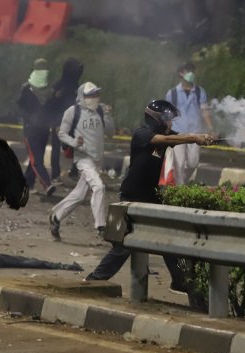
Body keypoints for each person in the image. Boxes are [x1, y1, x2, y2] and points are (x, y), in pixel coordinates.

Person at [85, 100, 213, 293]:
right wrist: (193, 138)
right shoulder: (142, 134)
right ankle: (94, 280)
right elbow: (167, 141)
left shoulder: (166, 135)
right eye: (168, 120)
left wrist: (202, 137)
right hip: (133, 195)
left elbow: (179, 137)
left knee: (168, 236)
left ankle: (179, 281)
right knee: (124, 244)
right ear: (158, 120)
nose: (171, 125)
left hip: (151, 195)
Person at [48, 82, 114, 241]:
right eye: (91, 95)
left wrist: (108, 115)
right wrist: (73, 142)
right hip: (83, 158)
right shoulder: (73, 111)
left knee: (79, 195)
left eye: (96, 94)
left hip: (97, 159)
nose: (94, 98)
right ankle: (101, 226)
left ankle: (56, 216)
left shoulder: (100, 110)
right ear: (82, 97)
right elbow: (62, 133)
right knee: (98, 187)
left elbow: (111, 132)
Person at [165, 62, 215, 185]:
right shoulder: (172, 93)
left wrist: (210, 128)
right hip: (178, 133)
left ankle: (182, 181)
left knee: (193, 162)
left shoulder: (199, 92)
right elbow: (168, 115)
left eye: (191, 70)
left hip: (195, 132)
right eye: (187, 70)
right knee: (179, 164)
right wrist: (166, 131)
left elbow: (205, 111)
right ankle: (180, 190)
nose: (190, 73)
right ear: (180, 73)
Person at [17, 58, 56, 196]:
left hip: (42, 129)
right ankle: (47, 184)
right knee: (36, 159)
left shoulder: (48, 89)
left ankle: (27, 184)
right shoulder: (29, 88)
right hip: (32, 129)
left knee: (35, 158)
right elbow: (21, 107)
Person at [51, 58, 84, 182]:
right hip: (59, 122)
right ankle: (55, 174)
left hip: (74, 122)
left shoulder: (78, 87)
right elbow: (52, 105)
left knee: (77, 147)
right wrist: (54, 123)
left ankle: (74, 171)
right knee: (56, 148)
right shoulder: (59, 86)